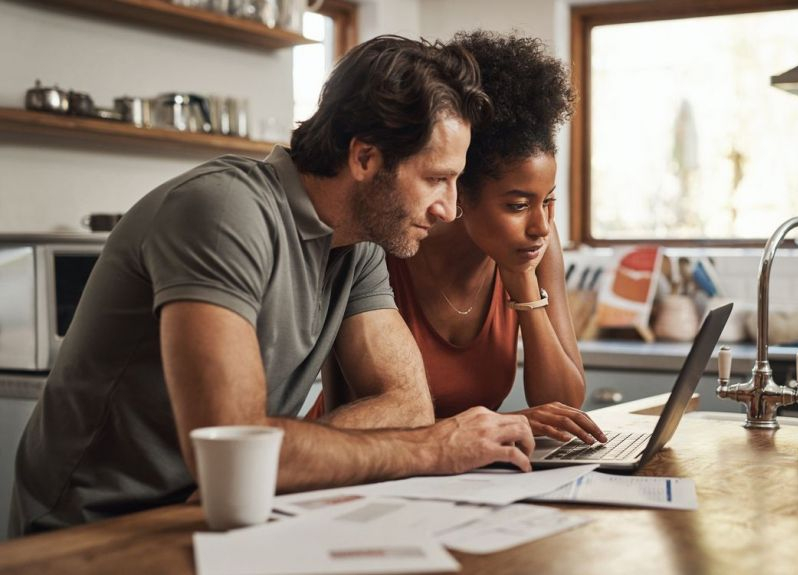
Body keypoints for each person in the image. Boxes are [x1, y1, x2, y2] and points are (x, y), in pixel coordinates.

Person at [9, 35, 536, 538]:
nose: (447, 209)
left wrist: (275, 459)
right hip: (98, 531)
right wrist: (430, 449)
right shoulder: (223, 212)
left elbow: (406, 405)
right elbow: (236, 450)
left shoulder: (360, 245)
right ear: (365, 158)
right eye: (435, 178)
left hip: (227, 512)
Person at [310, 31, 606, 445]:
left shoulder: (533, 246)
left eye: (549, 202)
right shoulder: (388, 240)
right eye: (518, 205)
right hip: (361, 460)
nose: (541, 225)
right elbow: (364, 410)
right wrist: (504, 424)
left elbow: (565, 405)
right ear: (459, 190)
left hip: (462, 471)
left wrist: (521, 283)